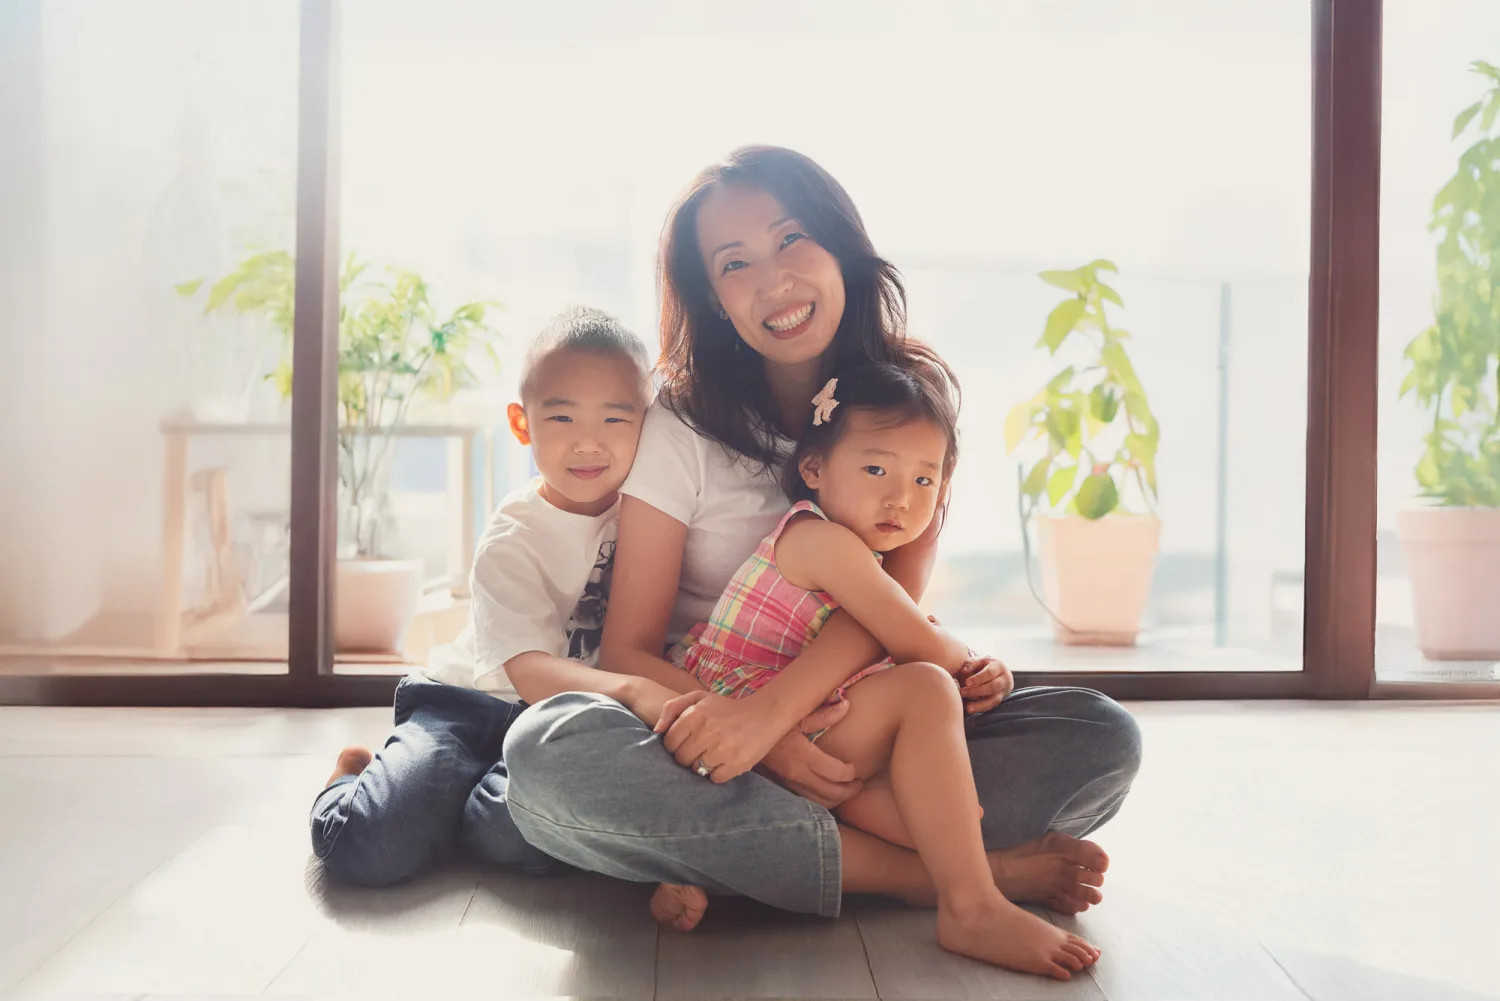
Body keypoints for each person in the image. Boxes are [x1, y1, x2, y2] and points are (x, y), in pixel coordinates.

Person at [486, 145, 1143, 926]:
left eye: (792, 239)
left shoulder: (909, 403)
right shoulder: (679, 424)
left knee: (1099, 736)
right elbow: (629, 649)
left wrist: (779, 717)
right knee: (547, 755)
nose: (774, 282)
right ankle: (932, 875)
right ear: (713, 296)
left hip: (850, 724)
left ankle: (727, 857)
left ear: (842, 245)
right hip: (699, 730)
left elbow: (884, 610)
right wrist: (759, 740)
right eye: (735, 264)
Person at [662, 362, 1100, 979]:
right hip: (744, 733)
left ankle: (719, 877)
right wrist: (976, 666)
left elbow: (909, 633)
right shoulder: (822, 542)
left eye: (925, 479)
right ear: (813, 469)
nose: (901, 497)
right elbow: (918, 643)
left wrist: (966, 663)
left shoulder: (856, 553)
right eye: (877, 470)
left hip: (803, 742)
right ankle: (971, 903)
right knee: (926, 695)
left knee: (935, 813)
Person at [308, 306, 676, 886]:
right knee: (370, 848)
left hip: (558, 725)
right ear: (522, 423)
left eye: (614, 419)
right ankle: (354, 776)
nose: (588, 443)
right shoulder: (514, 534)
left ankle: (458, 811)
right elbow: (528, 673)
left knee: (520, 833)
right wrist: (635, 689)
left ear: (647, 424)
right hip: (467, 705)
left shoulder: (655, 517)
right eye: (561, 418)